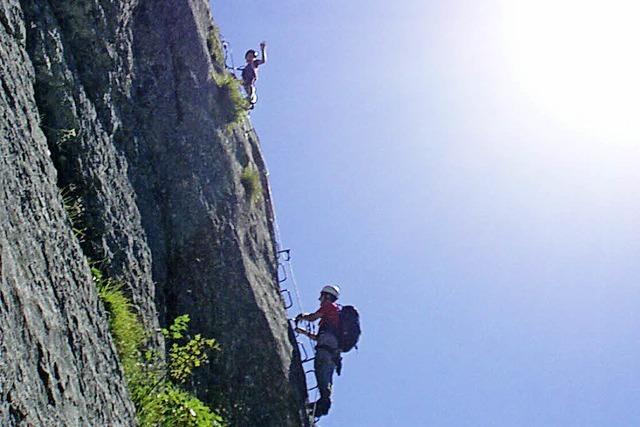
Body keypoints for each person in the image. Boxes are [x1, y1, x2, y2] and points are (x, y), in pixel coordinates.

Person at [295, 285, 342, 418]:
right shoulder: (335, 315)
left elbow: (313, 317)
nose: (320, 299)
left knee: (321, 368)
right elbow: (318, 337)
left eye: (321, 296)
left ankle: (324, 403)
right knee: (325, 375)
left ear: (327, 296)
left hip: (327, 347)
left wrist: (302, 316)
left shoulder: (329, 306)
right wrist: (302, 332)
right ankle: (322, 403)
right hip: (333, 351)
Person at [241, 41, 267, 108]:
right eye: (249, 56)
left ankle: (250, 101)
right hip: (246, 83)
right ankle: (247, 102)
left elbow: (263, 61)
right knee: (247, 90)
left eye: (252, 56)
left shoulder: (254, 63)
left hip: (251, 83)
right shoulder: (245, 69)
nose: (250, 58)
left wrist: (262, 50)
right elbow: (243, 80)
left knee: (251, 91)